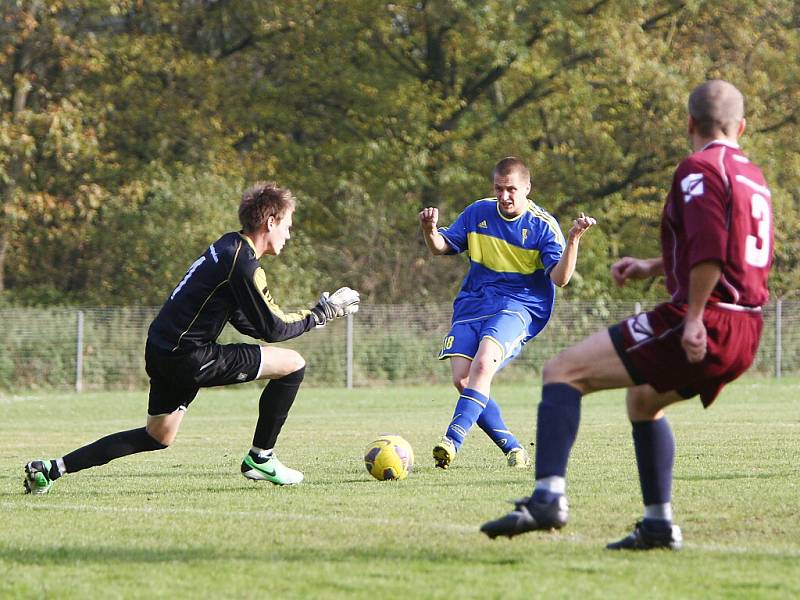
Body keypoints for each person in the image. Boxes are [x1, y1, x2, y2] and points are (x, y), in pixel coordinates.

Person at [480, 80, 773, 550]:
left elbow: (711, 254)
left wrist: (694, 316)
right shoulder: (753, 176)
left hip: (708, 316)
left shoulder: (699, 168)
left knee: (563, 371)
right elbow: (733, 251)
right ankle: (658, 525)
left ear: (689, 124)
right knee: (643, 402)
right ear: (741, 126)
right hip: (748, 325)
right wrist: (654, 267)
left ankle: (548, 497)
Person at [24, 182, 360, 493]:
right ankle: (261, 458)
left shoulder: (227, 246)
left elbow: (249, 321)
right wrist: (320, 314)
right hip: (189, 356)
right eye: (288, 223)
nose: (290, 232)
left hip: (161, 349)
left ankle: (52, 469)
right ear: (270, 222)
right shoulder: (242, 264)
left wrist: (312, 316)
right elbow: (273, 328)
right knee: (293, 365)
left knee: (158, 435)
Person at [419, 157, 596, 470]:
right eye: (499, 189)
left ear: (527, 188)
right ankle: (513, 448)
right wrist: (429, 229)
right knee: (463, 380)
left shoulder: (542, 225)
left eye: (511, 189)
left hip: (519, 305)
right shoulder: (478, 212)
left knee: (484, 363)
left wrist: (573, 241)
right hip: (474, 303)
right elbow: (441, 247)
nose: (504, 196)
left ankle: (451, 441)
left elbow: (560, 279)